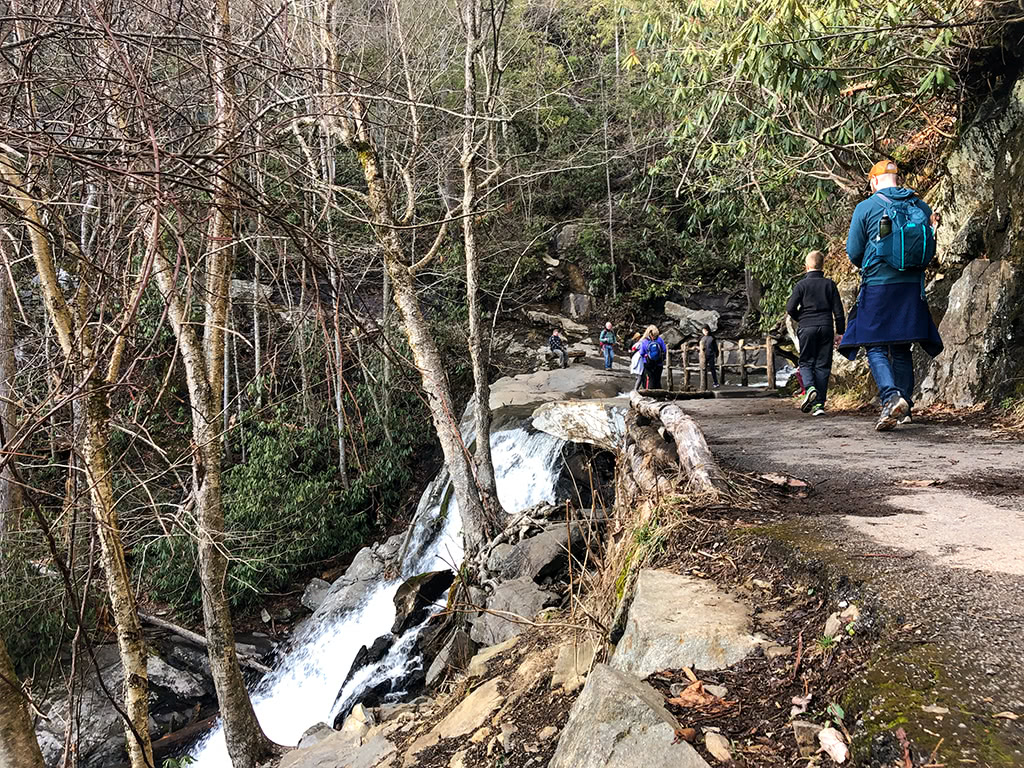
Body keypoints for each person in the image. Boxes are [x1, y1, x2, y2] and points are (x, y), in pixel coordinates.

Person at [837, 159, 943, 431]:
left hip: (878, 285)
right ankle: (905, 406)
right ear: (898, 179)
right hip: (912, 286)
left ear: (873, 181)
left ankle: (891, 397)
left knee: (874, 344)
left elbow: (854, 252)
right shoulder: (920, 205)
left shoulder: (866, 207)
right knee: (902, 346)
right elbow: (929, 247)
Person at [786, 250, 846, 417]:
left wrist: (801, 318)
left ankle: (810, 388)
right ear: (823, 266)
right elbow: (839, 312)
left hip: (806, 327)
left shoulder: (801, 285)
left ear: (806, 267)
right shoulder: (830, 284)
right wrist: (840, 332)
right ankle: (819, 405)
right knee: (823, 365)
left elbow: (790, 308)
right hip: (826, 327)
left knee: (805, 362)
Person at [639, 325, 668, 390]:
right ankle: (659, 395)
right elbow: (664, 350)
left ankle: (649, 394)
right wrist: (662, 359)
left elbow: (641, 353)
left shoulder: (644, 341)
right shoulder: (660, 340)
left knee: (649, 380)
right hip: (659, 363)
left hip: (648, 363)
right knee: (657, 380)